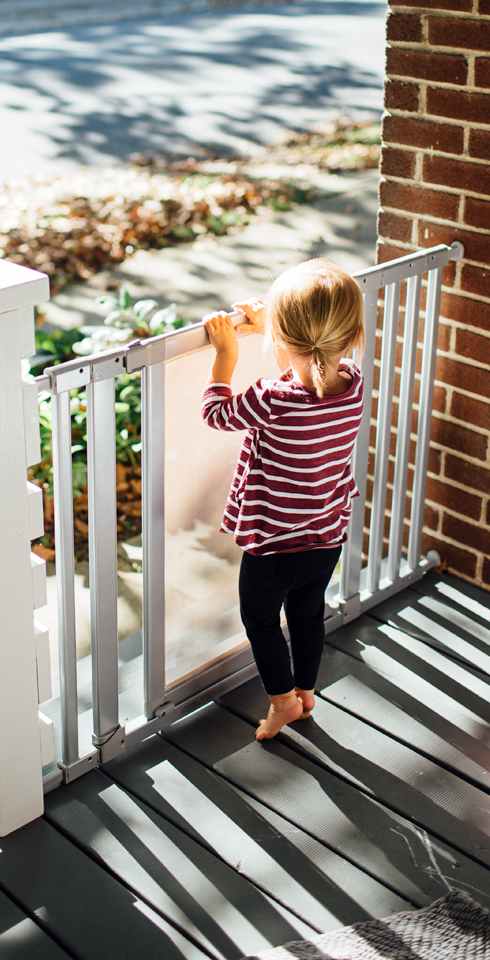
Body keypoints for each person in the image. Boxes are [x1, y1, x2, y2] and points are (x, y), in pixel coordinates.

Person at [202, 259, 365, 742]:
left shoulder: (271, 399)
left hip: (274, 546)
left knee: (261, 620)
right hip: (327, 535)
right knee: (308, 612)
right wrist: (272, 330)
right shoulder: (353, 383)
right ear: (352, 335)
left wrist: (228, 354)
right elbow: (311, 366)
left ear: (280, 338)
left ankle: (283, 704)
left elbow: (216, 414)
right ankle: (307, 692)